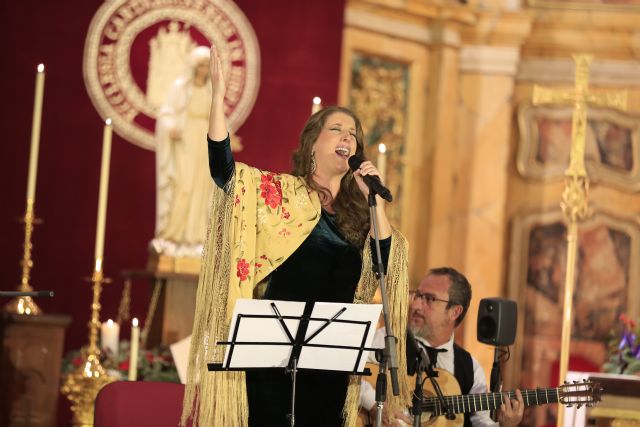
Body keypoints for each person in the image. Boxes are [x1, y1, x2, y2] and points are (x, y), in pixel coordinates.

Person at [180, 45, 411, 427]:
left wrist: (377, 202)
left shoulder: (362, 214)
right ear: (313, 143)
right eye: (336, 129)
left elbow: (386, 265)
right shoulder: (280, 195)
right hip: (273, 363)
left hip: (331, 366)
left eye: (353, 134)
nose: (347, 138)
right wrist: (217, 100)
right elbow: (225, 173)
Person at [361, 267, 525, 427]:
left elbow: (481, 422)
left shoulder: (470, 368)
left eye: (429, 299)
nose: (416, 305)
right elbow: (347, 374)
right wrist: (375, 405)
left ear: (454, 311)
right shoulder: (387, 339)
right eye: (417, 295)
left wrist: (505, 425)